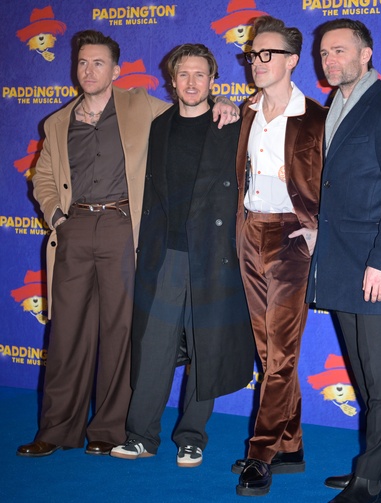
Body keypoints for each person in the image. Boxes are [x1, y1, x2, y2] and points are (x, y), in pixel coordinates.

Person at [17, 30, 239, 458]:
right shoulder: (57, 122)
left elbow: (194, 107)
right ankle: (56, 429)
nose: (89, 70)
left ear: (116, 70)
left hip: (123, 227)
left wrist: (226, 103)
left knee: (121, 332)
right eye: (83, 62)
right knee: (66, 333)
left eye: (99, 63)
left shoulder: (141, 106)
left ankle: (108, 429)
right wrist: (56, 215)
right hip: (75, 227)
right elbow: (42, 175)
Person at [110, 43, 255, 467]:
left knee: (206, 348)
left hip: (212, 255)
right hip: (165, 255)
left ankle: (192, 437)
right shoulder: (160, 126)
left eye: (200, 75)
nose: (192, 82)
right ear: (172, 81)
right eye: (184, 74)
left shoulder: (232, 124)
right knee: (153, 347)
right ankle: (141, 435)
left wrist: (230, 105)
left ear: (213, 81)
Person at [306, 19, 381, 503]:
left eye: (339, 50)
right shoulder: (333, 110)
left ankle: (370, 481)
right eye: (324, 53)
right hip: (340, 261)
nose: (330, 60)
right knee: (362, 372)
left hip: (375, 264)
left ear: (365, 54)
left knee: (380, 374)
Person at [231, 16, 327, 497]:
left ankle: (261, 452)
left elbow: (341, 178)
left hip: (292, 238)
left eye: (267, 54)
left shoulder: (317, 117)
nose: (257, 61)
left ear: (292, 60)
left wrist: (318, 227)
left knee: (282, 351)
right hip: (250, 231)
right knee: (269, 351)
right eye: (253, 54)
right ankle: (290, 446)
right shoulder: (244, 111)